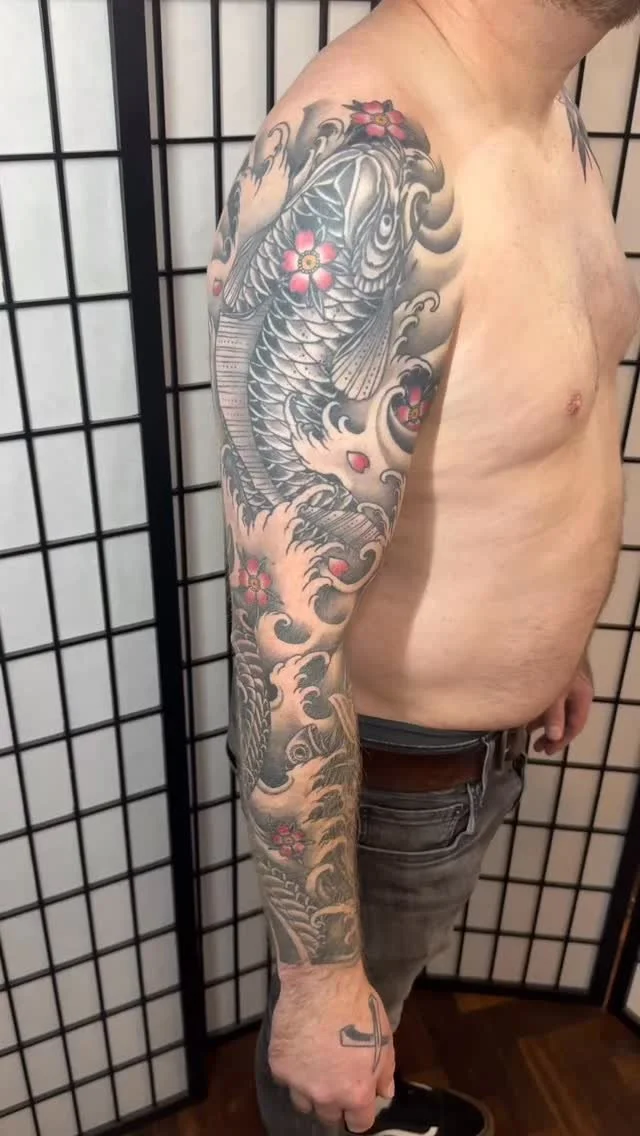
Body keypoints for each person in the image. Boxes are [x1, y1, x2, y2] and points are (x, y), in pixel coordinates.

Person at [207, 0, 640, 1132]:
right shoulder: (369, 164)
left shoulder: (543, 106)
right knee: (330, 1071)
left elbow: (522, 434)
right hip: (392, 774)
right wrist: (316, 992)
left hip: (482, 750)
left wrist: (554, 639)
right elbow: (281, 632)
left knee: (381, 1015)